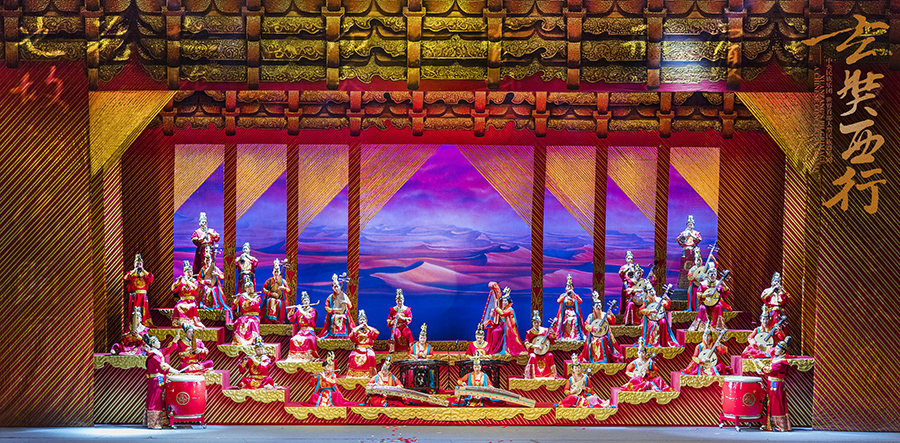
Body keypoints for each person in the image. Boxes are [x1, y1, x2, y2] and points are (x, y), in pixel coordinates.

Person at [756, 337, 793, 432]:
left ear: (782, 352)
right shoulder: (776, 358)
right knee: (770, 403)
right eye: (776, 348)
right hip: (771, 383)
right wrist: (761, 371)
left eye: (777, 349)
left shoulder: (781, 362)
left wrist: (760, 364)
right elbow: (771, 372)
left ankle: (780, 426)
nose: (775, 350)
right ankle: (771, 425)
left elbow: (771, 370)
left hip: (777, 385)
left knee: (776, 404)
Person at [142, 334, 179, 429]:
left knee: (158, 399)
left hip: (159, 379)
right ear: (153, 344)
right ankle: (153, 423)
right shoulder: (153, 355)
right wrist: (173, 370)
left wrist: (175, 340)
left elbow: (167, 349)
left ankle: (158, 422)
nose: (159, 342)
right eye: (157, 341)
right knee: (155, 399)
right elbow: (162, 365)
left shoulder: (158, 352)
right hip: (156, 380)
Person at [483, 284, 528, 356]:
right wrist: (494, 311)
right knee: (490, 331)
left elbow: (502, 313)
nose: (504, 303)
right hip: (502, 325)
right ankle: (492, 349)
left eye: (505, 301)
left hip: (506, 327)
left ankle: (500, 349)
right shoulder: (504, 308)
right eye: (503, 301)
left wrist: (496, 308)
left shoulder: (510, 309)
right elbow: (498, 315)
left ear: (508, 302)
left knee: (494, 332)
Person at [580, 292, 623, 363]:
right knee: (596, 341)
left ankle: (605, 360)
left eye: (599, 305)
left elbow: (612, 321)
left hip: (604, 335)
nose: (598, 307)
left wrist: (611, 314)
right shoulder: (591, 316)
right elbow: (586, 325)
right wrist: (593, 328)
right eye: (596, 305)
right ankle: (596, 360)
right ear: (593, 307)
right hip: (594, 335)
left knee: (602, 340)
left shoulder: (604, 314)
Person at [694, 264, 733, 330]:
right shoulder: (703, 284)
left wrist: (725, 286)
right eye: (711, 274)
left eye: (714, 274)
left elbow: (725, 295)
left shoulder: (719, 284)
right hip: (706, 303)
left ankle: (718, 326)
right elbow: (698, 294)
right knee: (702, 308)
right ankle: (702, 327)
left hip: (715, 303)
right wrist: (705, 295)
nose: (713, 276)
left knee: (718, 307)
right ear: (707, 275)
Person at [639, 283, 678, 347]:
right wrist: (651, 311)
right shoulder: (646, 301)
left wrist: (667, 299)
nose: (652, 292)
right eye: (650, 291)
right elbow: (641, 310)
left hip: (659, 317)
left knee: (663, 322)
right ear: (648, 293)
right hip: (649, 319)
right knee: (653, 325)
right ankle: (652, 343)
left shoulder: (659, 299)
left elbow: (667, 306)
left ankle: (663, 342)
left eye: (652, 290)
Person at [199, 246, 232, 318]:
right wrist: (204, 281)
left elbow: (222, 276)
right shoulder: (202, 269)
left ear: (211, 261)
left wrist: (217, 274)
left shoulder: (215, 268)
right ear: (204, 261)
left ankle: (215, 305)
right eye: (206, 260)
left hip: (213, 285)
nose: (207, 262)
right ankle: (204, 305)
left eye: (209, 260)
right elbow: (199, 278)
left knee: (214, 289)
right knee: (206, 289)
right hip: (205, 286)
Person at [171, 260, 205, 329]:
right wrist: (177, 282)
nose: (190, 273)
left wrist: (187, 281)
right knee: (178, 306)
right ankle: (180, 323)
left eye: (191, 272)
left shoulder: (195, 281)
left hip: (191, 301)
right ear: (184, 273)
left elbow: (194, 287)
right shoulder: (181, 280)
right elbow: (173, 289)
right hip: (182, 301)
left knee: (191, 307)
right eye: (188, 272)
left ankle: (190, 323)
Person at [319, 274, 354, 338]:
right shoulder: (330, 297)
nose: (336, 288)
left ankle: (344, 336)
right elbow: (326, 307)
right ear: (332, 288)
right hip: (334, 313)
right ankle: (333, 336)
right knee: (333, 318)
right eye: (334, 287)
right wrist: (332, 310)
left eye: (337, 287)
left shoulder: (344, 295)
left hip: (342, 313)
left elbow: (350, 306)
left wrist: (346, 303)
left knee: (343, 318)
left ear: (339, 287)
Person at [524, 310, 556, 379]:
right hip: (534, 352)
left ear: (540, 323)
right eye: (535, 322)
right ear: (532, 323)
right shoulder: (529, 332)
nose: (536, 324)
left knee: (550, 355)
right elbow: (526, 343)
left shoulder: (545, 330)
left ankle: (552, 375)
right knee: (532, 356)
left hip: (544, 352)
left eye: (538, 322)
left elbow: (552, 341)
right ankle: (532, 375)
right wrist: (535, 346)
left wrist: (553, 334)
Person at [124, 253, 154, 327]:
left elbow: (150, 280)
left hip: (143, 296)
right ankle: (133, 325)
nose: (138, 265)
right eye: (137, 264)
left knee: (144, 310)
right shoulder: (131, 273)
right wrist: (134, 271)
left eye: (140, 264)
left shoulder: (145, 274)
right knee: (134, 310)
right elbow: (126, 279)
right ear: (134, 264)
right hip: (134, 295)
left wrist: (143, 270)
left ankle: (144, 324)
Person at [287, 291, 319, 362]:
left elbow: (310, 318)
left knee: (307, 340)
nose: (306, 302)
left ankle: (309, 357)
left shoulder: (312, 310)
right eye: (305, 300)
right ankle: (296, 357)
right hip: (301, 331)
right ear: (302, 302)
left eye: (307, 300)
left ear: (309, 301)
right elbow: (292, 319)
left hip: (309, 331)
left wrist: (301, 310)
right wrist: (292, 311)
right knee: (293, 339)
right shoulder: (298, 311)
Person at [553, 274, 586, 341]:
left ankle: (575, 337)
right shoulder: (563, 295)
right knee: (565, 322)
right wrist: (565, 295)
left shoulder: (575, 295)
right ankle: (564, 337)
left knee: (574, 320)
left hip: (573, 312)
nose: (569, 288)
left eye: (570, 286)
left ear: (573, 288)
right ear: (565, 288)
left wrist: (574, 294)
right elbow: (558, 301)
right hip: (565, 313)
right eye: (568, 286)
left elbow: (580, 301)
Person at [347, 310, 379, 377]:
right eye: (360, 320)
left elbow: (376, 334)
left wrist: (368, 327)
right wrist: (358, 328)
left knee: (371, 356)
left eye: (363, 319)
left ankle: (370, 374)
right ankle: (353, 375)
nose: (362, 321)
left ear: (366, 321)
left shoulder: (370, 329)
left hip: (367, 348)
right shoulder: (356, 329)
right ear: (358, 321)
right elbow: (351, 337)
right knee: (352, 356)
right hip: (358, 348)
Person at [675, 215, 702, 288]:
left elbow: (699, 240)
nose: (690, 225)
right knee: (684, 268)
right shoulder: (683, 233)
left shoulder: (696, 233)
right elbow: (679, 241)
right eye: (689, 224)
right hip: (685, 253)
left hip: (693, 253)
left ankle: (694, 283)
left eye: (691, 224)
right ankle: (683, 285)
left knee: (693, 266)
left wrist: (692, 235)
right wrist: (683, 235)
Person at [232, 280, 261, 345]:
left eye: (252, 287)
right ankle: (239, 341)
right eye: (248, 287)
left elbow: (255, 304)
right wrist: (237, 299)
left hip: (254, 316)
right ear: (245, 289)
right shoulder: (242, 297)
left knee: (250, 322)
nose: (251, 289)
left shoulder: (257, 297)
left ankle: (253, 341)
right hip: (244, 316)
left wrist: (248, 298)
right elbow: (234, 306)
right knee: (239, 321)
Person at [262, 259, 291, 324]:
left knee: (279, 302)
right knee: (270, 301)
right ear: (272, 272)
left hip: (280, 298)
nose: (276, 273)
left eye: (277, 272)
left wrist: (284, 288)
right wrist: (271, 293)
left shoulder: (283, 281)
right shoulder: (269, 280)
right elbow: (264, 289)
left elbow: (288, 290)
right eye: (275, 272)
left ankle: (278, 321)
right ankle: (269, 321)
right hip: (271, 297)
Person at [387, 289, 413, 353]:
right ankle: (392, 348)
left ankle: (411, 349)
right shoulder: (392, 310)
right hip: (396, 327)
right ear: (396, 301)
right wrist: (392, 321)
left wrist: (402, 318)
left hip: (403, 327)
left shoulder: (407, 310)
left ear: (403, 301)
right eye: (398, 301)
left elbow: (409, 319)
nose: (399, 302)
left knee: (408, 333)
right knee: (394, 333)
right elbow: (389, 319)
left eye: (401, 301)